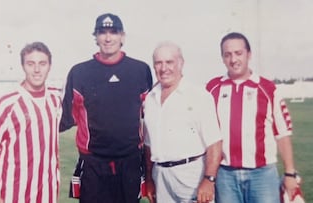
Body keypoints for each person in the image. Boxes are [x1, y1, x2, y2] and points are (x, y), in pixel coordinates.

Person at [59, 13, 153, 203]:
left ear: (122, 37)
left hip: (130, 161)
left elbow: (152, 114)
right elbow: (64, 118)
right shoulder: (79, 73)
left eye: (113, 32)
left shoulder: (140, 70)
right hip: (94, 163)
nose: (108, 38)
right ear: (95, 37)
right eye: (102, 32)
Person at [206, 32, 301, 203]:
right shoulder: (213, 88)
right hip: (225, 175)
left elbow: (282, 134)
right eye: (228, 55)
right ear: (222, 58)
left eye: (238, 53)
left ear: (249, 55)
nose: (233, 59)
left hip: (262, 175)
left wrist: (289, 172)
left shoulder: (268, 88)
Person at [0, 42, 62, 203]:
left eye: (42, 64)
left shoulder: (55, 98)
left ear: (49, 66)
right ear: (23, 66)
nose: (36, 70)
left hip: (47, 195)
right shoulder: (6, 103)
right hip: (14, 195)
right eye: (30, 64)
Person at [143, 41, 222, 203]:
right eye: (158, 63)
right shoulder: (150, 99)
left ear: (181, 63)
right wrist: (150, 179)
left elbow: (214, 143)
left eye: (169, 62)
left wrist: (209, 180)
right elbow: (148, 145)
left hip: (191, 175)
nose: (164, 68)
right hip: (161, 176)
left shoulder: (198, 95)